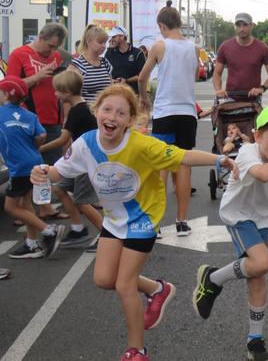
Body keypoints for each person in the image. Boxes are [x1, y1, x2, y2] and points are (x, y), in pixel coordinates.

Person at [30, 84, 238, 361]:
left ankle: (137, 350)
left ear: (130, 120)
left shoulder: (142, 145)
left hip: (143, 217)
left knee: (124, 284)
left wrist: (219, 159)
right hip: (114, 219)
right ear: (96, 111)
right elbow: (59, 172)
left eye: (121, 113)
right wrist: (42, 171)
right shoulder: (86, 144)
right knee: (104, 279)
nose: (112, 117)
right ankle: (158, 289)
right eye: (107, 109)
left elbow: (182, 155)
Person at [192, 104, 268, 361]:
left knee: (258, 274)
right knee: (262, 263)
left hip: (262, 220)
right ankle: (214, 278)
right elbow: (262, 174)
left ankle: (255, 342)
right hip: (238, 216)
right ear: (258, 136)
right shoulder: (248, 152)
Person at [138, 0, 200, 236]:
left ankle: (157, 222)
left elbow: (142, 77)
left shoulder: (159, 46)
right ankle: (182, 221)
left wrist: (144, 98)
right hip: (187, 112)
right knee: (183, 165)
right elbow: (194, 75)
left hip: (165, 111)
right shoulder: (193, 47)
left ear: (162, 25)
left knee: (161, 167)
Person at [7, 22, 69, 220]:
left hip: (53, 118)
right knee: (28, 169)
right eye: (50, 46)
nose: (52, 51)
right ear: (40, 37)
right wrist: (38, 76)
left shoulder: (57, 57)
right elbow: (9, 87)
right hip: (26, 119)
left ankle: (44, 207)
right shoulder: (19, 54)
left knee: (48, 166)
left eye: (56, 47)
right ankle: (23, 212)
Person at [0, 76, 66, 259]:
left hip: (20, 168)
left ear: (6, 94)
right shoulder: (29, 115)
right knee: (26, 203)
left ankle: (49, 231)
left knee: (11, 207)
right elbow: (42, 135)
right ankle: (31, 244)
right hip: (35, 162)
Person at [40, 70, 103, 249]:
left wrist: (39, 149)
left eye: (57, 91)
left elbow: (63, 139)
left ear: (67, 92)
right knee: (59, 189)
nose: (55, 94)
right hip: (79, 159)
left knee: (82, 201)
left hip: (84, 162)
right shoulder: (88, 107)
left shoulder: (76, 112)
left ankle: (107, 235)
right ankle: (77, 229)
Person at [213, 12, 268, 101]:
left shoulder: (263, 48)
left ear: (252, 26)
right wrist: (218, 90)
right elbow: (217, 73)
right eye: (238, 25)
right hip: (231, 98)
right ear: (235, 26)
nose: (241, 29)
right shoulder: (225, 47)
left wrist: (262, 89)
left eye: (245, 25)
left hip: (253, 100)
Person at [68, 24, 113, 104]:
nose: (104, 46)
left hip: (103, 112)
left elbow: (111, 88)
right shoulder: (77, 64)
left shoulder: (105, 63)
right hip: (85, 112)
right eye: (100, 42)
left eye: (105, 42)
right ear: (88, 41)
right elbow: (69, 94)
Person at [105, 26, 146, 94]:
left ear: (122, 37)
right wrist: (112, 80)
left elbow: (142, 76)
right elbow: (104, 73)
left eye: (114, 36)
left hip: (132, 95)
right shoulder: (110, 52)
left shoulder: (137, 53)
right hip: (114, 93)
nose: (111, 39)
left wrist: (126, 81)